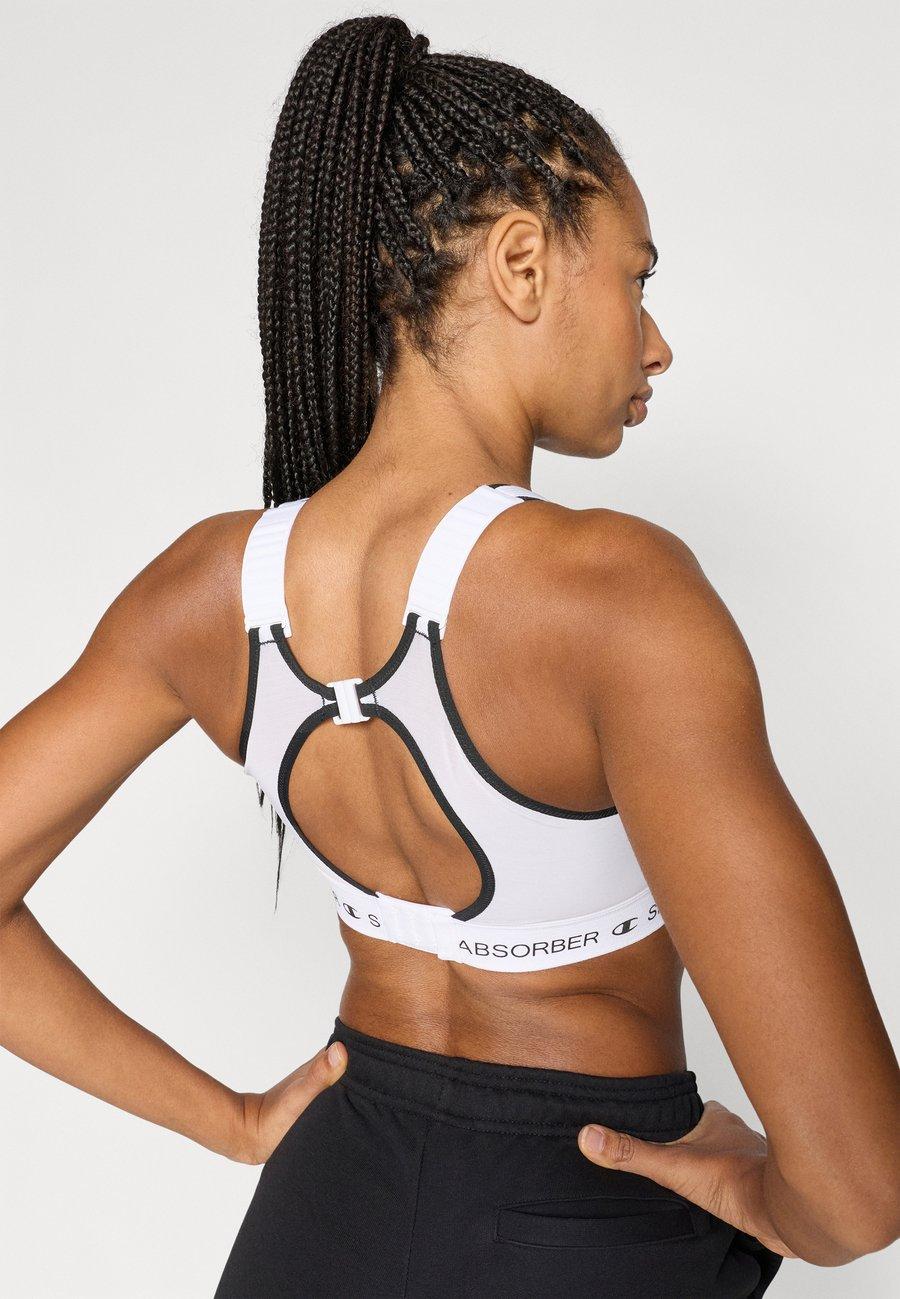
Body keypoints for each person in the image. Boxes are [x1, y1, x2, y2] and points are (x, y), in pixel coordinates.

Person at [1, 14, 897, 1298]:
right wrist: (765, 1196)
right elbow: (857, 1191)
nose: (654, 342)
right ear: (523, 263)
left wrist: (238, 1125)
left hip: (320, 1219)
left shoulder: (209, 591)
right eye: (637, 279)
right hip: (584, 1227)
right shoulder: (617, 595)